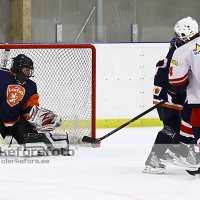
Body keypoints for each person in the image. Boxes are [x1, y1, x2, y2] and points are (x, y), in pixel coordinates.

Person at [143, 16, 198, 174]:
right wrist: (172, 92)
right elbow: (171, 73)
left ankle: (175, 152)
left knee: (181, 124)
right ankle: (153, 159)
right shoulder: (180, 49)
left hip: (171, 91)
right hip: (168, 91)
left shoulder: (182, 46)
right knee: (172, 126)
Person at [0, 54, 63, 156]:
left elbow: (29, 105)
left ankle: (50, 143)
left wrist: (37, 116)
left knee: (35, 141)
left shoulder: (31, 85)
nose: (28, 73)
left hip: (15, 121)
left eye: (29, 70)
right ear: (18, 68)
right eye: (26, 70)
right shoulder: (2, 75)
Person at [168, 17, 200, 164]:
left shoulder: (183, 50)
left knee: (195, 122)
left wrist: (174, 92)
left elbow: (177, 81)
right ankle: (184, 150)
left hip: (198, 98)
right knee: (187, 112)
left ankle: (193, 156)